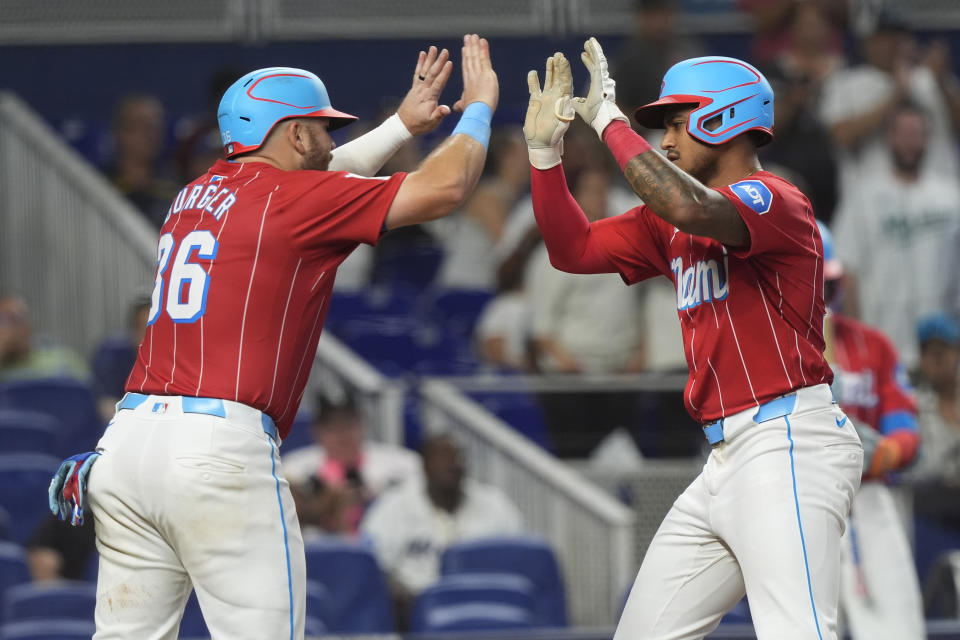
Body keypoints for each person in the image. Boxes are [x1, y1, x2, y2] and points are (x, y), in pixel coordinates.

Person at [47, 36, 499, 640]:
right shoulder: (291, 200)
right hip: (214, 450)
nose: (330, 139)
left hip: (126, 449)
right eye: (321, 127)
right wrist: (480, 107)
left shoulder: (196, 193)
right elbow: (444, 188)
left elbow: (321, 179)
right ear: (291, 133)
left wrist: (398, 127)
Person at [524, 40, 862, 638]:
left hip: (787, 443)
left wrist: (609, 121)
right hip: (725, 459)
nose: (668, 140)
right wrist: (544, 156)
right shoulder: (672, 221)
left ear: (726, 117)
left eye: (679, 122)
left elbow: (688, 205)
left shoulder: (777, 199)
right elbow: (570, 250)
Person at [818, 222, 924, 640]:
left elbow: (903, 422)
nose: (823, 300)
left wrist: (887, 454)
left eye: (829, 287)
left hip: (868, 493)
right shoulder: (772, 350)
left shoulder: (872, 345)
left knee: (893, 625)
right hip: (803, 496)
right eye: (814, 287)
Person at [832, 101, 960, 369]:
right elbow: (848, 271)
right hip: (885, 343)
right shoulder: (863, 198)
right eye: (903, 133)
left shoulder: (950, 196)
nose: (910, 142)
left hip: (944, 348)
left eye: (916, 133)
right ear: (888, 138)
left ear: (927, 139)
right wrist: (857, 341)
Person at [361, 433, 523, 629]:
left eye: (456, 457)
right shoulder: (391, 508)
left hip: (485, 606)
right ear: (425, 466)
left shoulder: (496, 505)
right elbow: (370, 567)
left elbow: (520, 562)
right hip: (414, 612)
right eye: (442, 457)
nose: (451, 464)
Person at [283, 389, 421, 537]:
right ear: (317, 431)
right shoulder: (293, 467)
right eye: (332, 428)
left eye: (348, 425)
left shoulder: (403, 464)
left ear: (362, 424)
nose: (342, 435)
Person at [103, 93, 180, 228]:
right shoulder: (100, 183)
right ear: (119, 132)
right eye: (138, 125)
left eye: (154, 127)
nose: (148, 134)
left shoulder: (176, 187)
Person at [0, 292, 91, 383]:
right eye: (2, 321)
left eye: (15, 318)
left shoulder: (61, 359)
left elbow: (90, 392)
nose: (9, 329)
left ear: (28, 325)